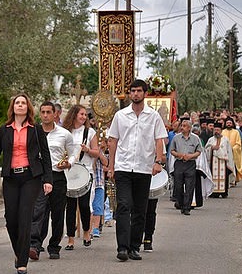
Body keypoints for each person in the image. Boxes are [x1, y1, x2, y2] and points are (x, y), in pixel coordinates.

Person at [0, 93, 53, 274]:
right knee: (10, 219)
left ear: (27, 107)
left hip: (31, 178)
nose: (20, 105)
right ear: (12, 107)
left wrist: (48, 180)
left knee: (24, 217)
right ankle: (18, 251)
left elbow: (46, 156)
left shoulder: (36, 130)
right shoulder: (4, 129)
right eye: (17, 103)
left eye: (23, 103)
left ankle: (22, 262)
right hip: (11, 178)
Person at [107, 79, 167, 262]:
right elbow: (113, 141)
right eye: (132, 91)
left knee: (140, 209)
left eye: (139, 91)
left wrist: (158, 162)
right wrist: (111, 166)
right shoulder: (121, 115)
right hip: (123, 167)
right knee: (124, 205)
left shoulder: (154, 116)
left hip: (143, 168)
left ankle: (134, 247)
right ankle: (122, 248)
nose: (135, 94)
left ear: (145, 93)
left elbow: (159, 140)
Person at [29, 101, 76, 260]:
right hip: (40, 176)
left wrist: (70, 162)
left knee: (57, 214)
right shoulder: (33, 132)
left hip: (57, 175)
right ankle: (35, 244)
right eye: (42, 112)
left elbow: (73, 151)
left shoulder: (64, 134)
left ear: (55, 114)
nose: (45, 115)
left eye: (49, 112)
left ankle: (54, 246)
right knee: (38, 211)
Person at [63, 105, 99, 250]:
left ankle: (86, 232)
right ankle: (71, 239)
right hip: (69, 172)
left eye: (85, 115)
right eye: (81, 114)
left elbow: (96, 152)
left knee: (84, 205)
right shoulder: (65, 132)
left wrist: (88, 150)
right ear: (74, 115)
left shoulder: (90, 132)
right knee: (70, 206)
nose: (84, 117)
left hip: (86, 172)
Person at [169, 120, 202, 216]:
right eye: (181, 125)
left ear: (189, 128)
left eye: (184, 126)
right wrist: (178, 154)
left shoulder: (195, 138)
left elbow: (199, 151)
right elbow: (172, 150)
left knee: (189, 186)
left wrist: (190, 156)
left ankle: (187, 207)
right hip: (179, 163)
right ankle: (181, 203)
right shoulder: (176, 138)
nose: (182, 127)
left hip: (190, 164)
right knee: (178, 186)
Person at [205, 122, 235, 198]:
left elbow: (229, 151)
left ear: (221, 131)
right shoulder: (210, 140)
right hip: (213, 161)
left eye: (218, 130)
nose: (216, 132)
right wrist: (211, 148)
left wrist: (229, 161)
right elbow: (206, 149)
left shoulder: (225, 140)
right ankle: (213, 192)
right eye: (215, 130)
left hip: (223, 162)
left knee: (224, 176)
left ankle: (224, 192)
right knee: (213, 176)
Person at [222, 117, 242, 185]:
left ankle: (233, 180)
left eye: (230, 123)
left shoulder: (236, 132)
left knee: (233, 166)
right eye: (227, 123)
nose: (229, 124)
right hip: (225, 153)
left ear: (232, 124)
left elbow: (238, 143)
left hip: (234, 152)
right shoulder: (223, 132)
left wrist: (233, 148)